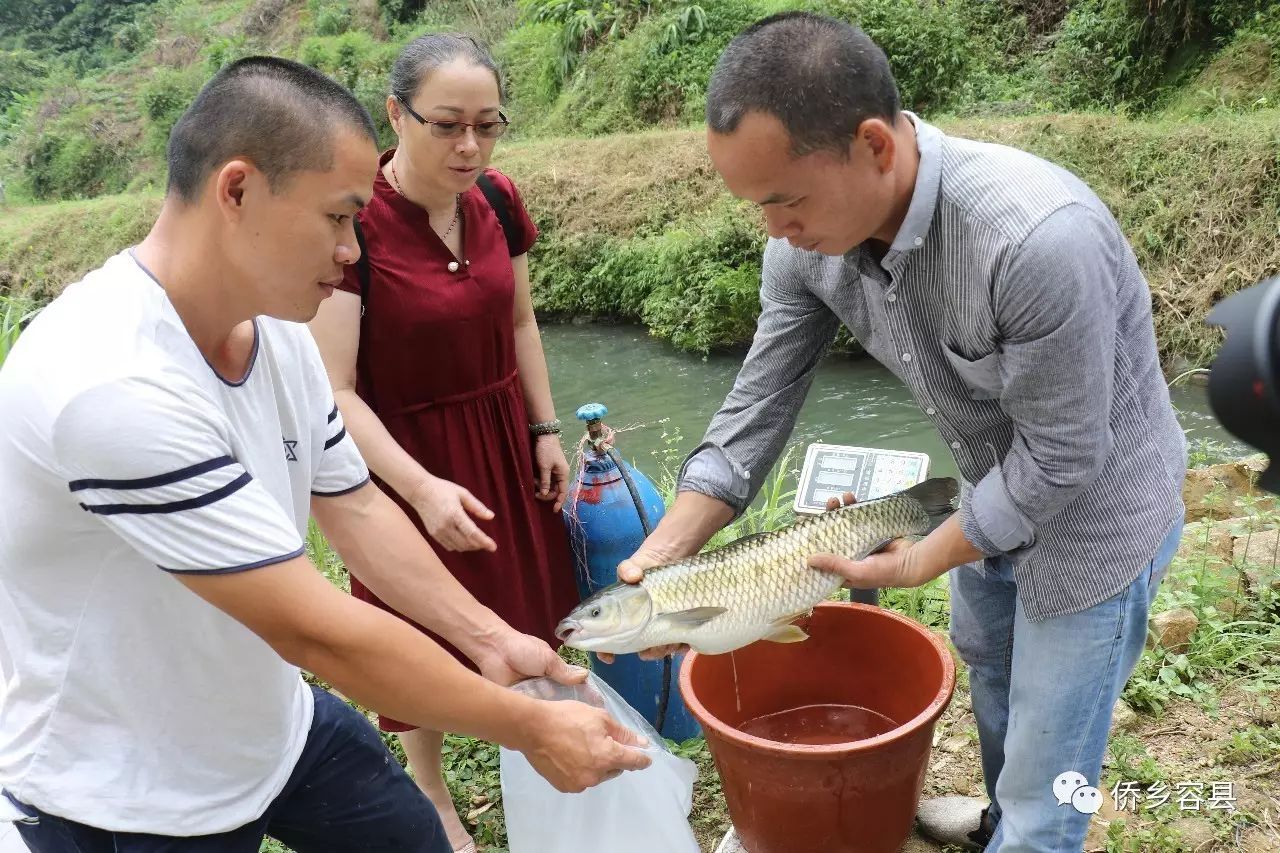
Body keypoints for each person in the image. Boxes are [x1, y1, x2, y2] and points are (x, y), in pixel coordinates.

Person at [0, 56, 649, 852]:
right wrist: (529, 726)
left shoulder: (275, 328)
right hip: (128, 786)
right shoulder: (111, 383)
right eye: (339, 218)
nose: (352, 250)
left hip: (272, 723)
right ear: (236, 191)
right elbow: (318, 632)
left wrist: (487, 639)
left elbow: (357, 504)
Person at [617, 13, 1186, 852]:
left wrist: (924, 554)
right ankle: (998, 818)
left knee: (1047, 786)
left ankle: (1024, 829)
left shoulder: (1031, 239)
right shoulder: (806, 247)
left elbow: (1065, 457)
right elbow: (756, 405)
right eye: (756, 206)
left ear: (875, 146)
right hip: (984, 499)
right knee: (993, 678)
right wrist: (666, 560)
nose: (774, 228)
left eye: (785, 198)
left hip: (1096, 522)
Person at [307, 34, 580, 853]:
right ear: (397, 114)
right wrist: (419, 489)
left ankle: (538, 741)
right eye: (449, 124)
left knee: (535, 597)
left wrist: (544, 427)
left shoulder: (497, 201)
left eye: (488, 126)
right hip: (404, 455)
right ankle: (431, 788)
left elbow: (521, 321)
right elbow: (337, 391)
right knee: (415, 627)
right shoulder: (356, 225)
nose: (470, 146)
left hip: (502, 435)